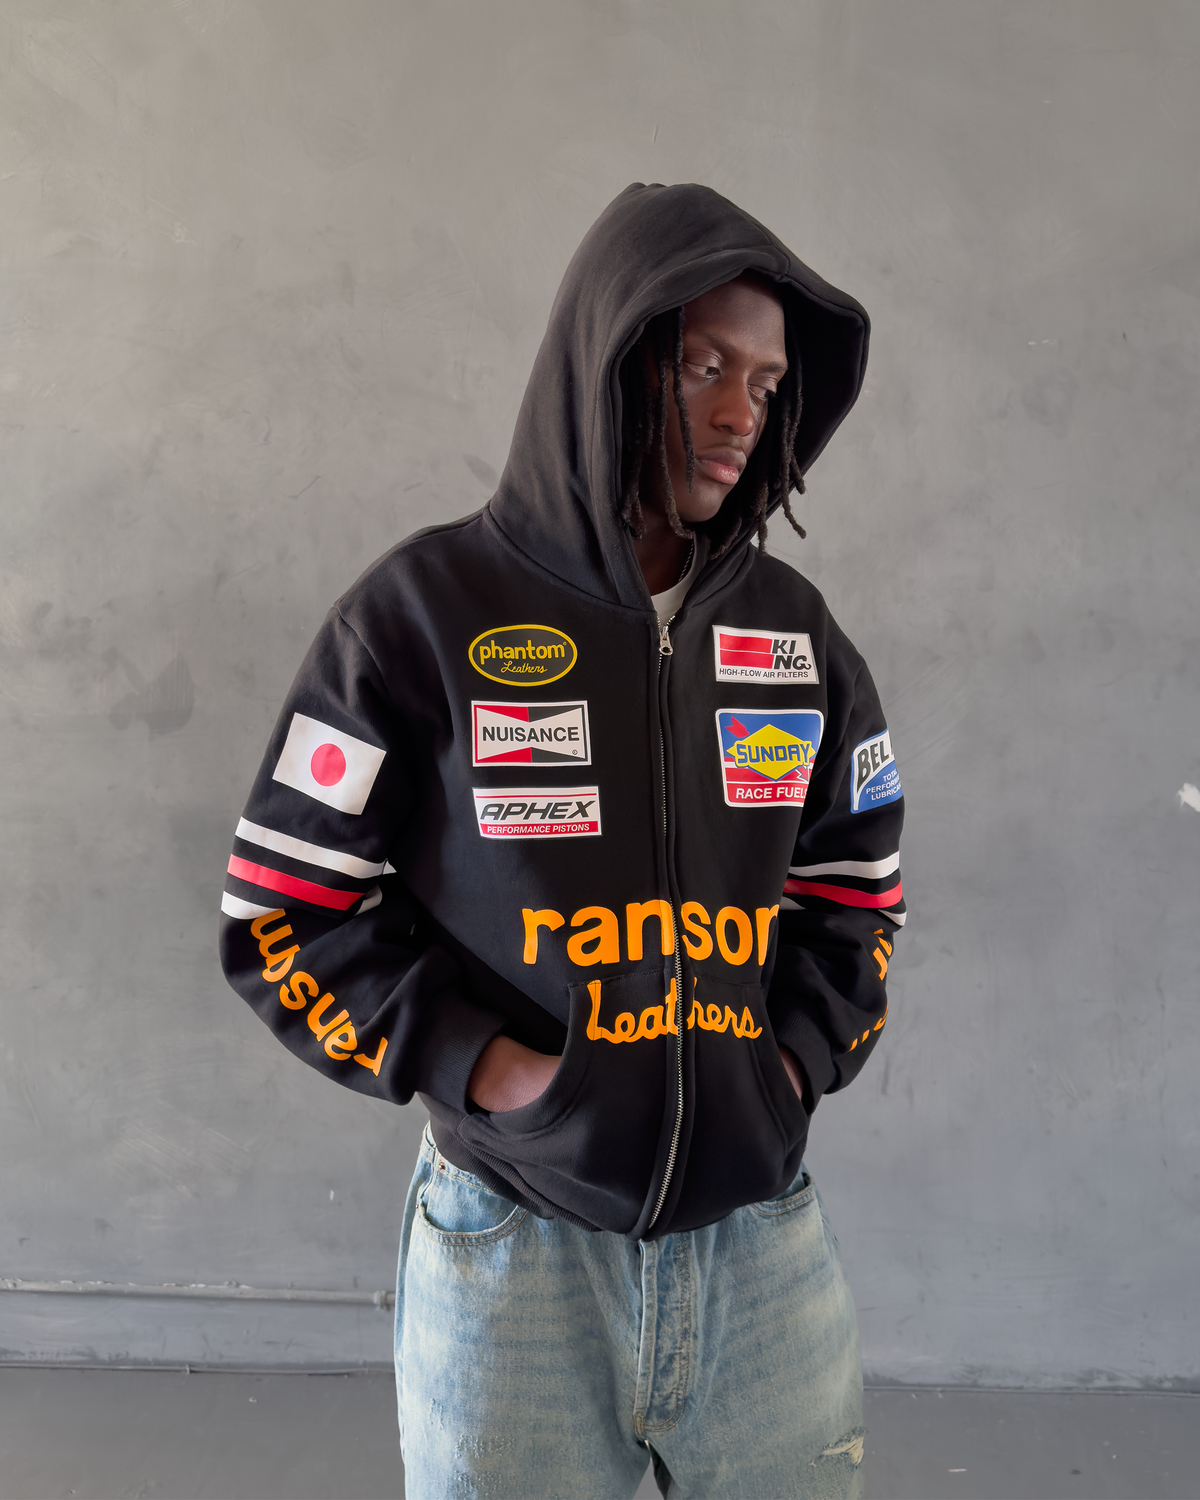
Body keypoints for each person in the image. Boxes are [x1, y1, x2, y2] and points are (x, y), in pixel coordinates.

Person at [219, 182, 905, 1499]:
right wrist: (496, 1074)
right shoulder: (421, 613)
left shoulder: (795, 634)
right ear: (611, 355)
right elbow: (282, 912)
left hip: (758, 1247)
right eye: (703, 366)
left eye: (766, 384)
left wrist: (789, 1070)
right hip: (513, 1252)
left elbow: (857, 893)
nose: (740, 413)